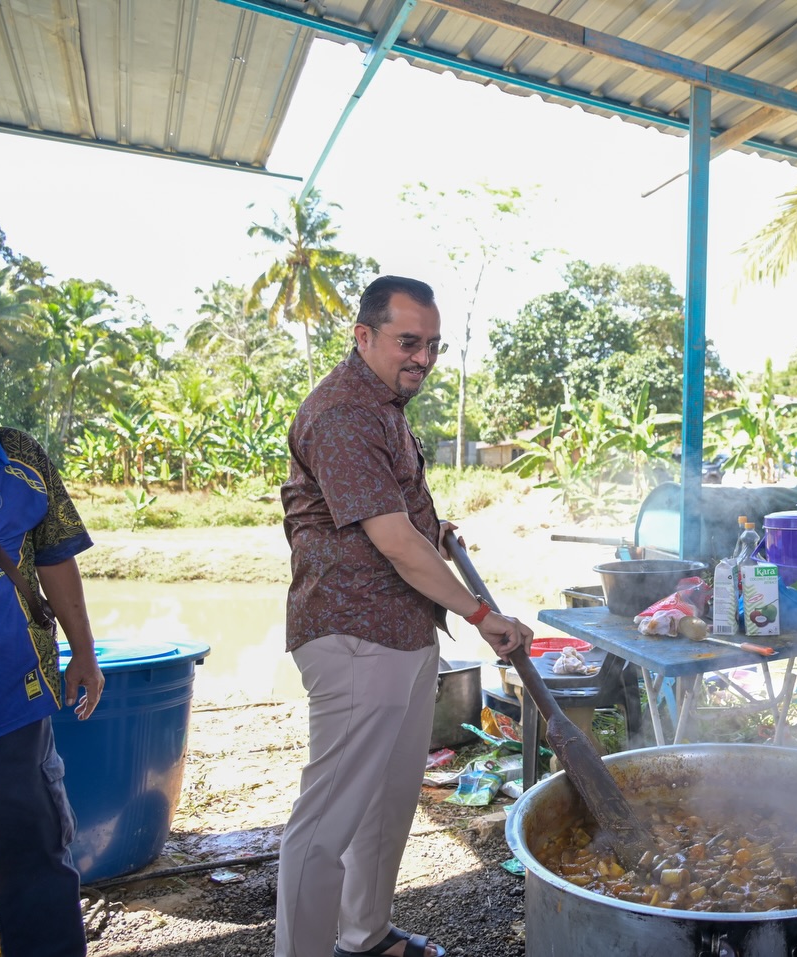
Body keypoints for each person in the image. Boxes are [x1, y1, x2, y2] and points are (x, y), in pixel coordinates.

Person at [275, 276, 532, 957]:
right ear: (364, 336)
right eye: (408, 341)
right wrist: (482, 614)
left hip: (403, 630)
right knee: (327, 820)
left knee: (387, 803)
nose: (422, 357)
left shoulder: (383, 404)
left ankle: (362, 935)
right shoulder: (343, 412)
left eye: (433, 346)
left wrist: (429, 522)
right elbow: (392, 543)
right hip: (355, 633)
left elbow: (389, 514)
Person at [0, 425, 104, 957]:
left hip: (14, 694)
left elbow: (54, 553)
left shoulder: (17, 454)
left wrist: (83, 649)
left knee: (33, 854)